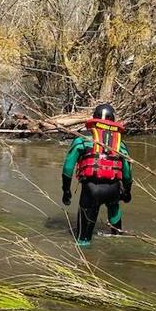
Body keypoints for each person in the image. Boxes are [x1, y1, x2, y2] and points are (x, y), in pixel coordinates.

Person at [61, 104, 132, 247]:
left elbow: (67, 168)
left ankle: (84, 261)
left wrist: (66, 191)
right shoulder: (120, 145)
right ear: (113, 121)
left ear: (94, 119)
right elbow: (127, 174)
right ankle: (116, 244)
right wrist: (127, 192)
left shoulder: (82, 140)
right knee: (116, 233)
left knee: (83, 240)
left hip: (90, 191)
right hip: (113, 189)